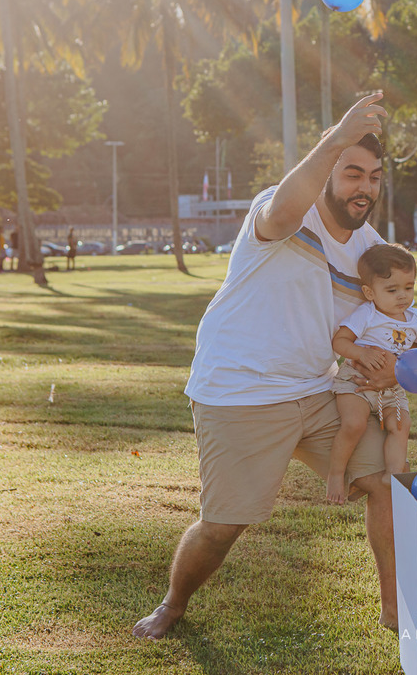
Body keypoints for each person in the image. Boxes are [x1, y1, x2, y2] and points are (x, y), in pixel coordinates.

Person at [132, 93, 394, 641]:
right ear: (327, 171)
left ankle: (394, 613)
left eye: (372, 176)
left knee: (389, 484)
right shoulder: (280, 210)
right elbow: (284, 209)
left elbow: (386, 318)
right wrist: (338, 135)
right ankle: (173, 605)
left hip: (316, 392)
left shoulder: (371, 250)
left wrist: (390, 363)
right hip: (240, 393)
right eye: (351, 173)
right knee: (225, 524)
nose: (363, 187)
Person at [326, 243, 417, 505]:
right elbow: (339, 342)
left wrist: (409, 361)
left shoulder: (414, 319)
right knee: (354, 423)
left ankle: (393, 474)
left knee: (400, 425)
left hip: (393, 388)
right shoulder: (367, 314)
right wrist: (361, 353)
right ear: (369, 292)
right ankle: (336, 473)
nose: (402, 296)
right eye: (392, 289)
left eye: (408, 287)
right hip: (356, 382)